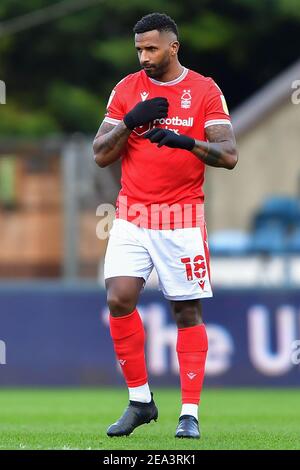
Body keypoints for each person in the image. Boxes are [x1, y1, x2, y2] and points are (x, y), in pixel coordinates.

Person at [93, 12, 238, 439]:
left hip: (182, 219)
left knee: (186, 311)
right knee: (119, 299)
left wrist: (187, 142)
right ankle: (141, 401)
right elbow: (100, 154)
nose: (144, 57)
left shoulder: (205, 90)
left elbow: (229, 155)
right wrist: (129, 121)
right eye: (139, 49)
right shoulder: (126, 89)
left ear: (173, 47)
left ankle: (189, 413)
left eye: (151, 49)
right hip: (133, 215)